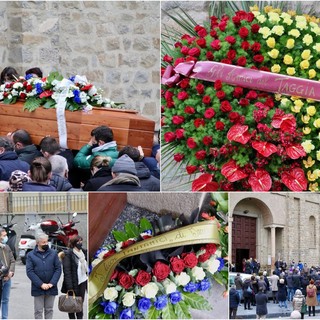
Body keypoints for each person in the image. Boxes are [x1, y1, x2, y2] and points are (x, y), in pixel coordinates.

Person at [26, 233, 62, 319]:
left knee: (49, 309)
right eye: (43, 242)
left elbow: (58, 269)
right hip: (38, 287)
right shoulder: (31, 255)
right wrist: (41, 284)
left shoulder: (53, 253)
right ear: (37, 243)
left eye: (46, 242)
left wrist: (52, 283)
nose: (46, 244)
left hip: (51, 287)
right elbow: (29, 271)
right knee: (38, 310)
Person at [61, 235, 87, 319]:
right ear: (74, 243)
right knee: (71, 304)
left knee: (80, 304)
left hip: (82, 282)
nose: (80, 243)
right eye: (78, 242)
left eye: (81, 241)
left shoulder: (83, 253)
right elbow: (67, 271)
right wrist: (69, 287)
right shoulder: (68, 254)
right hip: (72, 283)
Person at [0, 228, 15, 319]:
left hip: (8, 278)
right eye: (4, 236)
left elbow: (13, 261)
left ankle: (5, 318)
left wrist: (11, 272)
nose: (6, 237)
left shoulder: (7, 247)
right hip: (1, 278)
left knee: (5, 300)